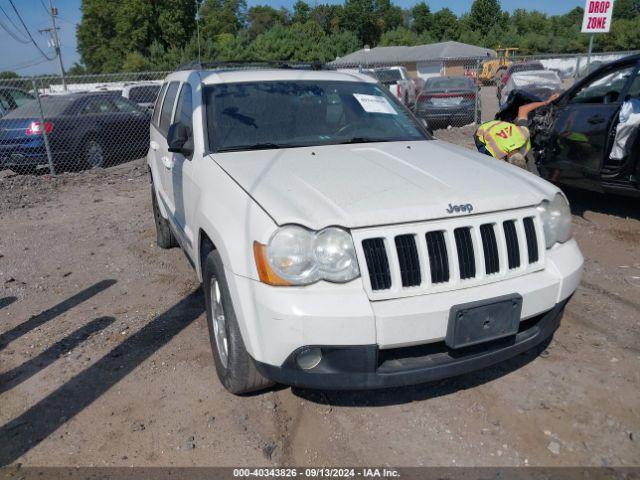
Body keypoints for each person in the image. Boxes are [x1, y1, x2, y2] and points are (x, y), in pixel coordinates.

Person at [475, 93, 560, 174]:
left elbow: (523, 109)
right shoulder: (495, 153)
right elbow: (523, 109)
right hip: (483, 130)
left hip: (501, 125)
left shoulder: (523, 133)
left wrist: (546, 102)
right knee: (490, 164)